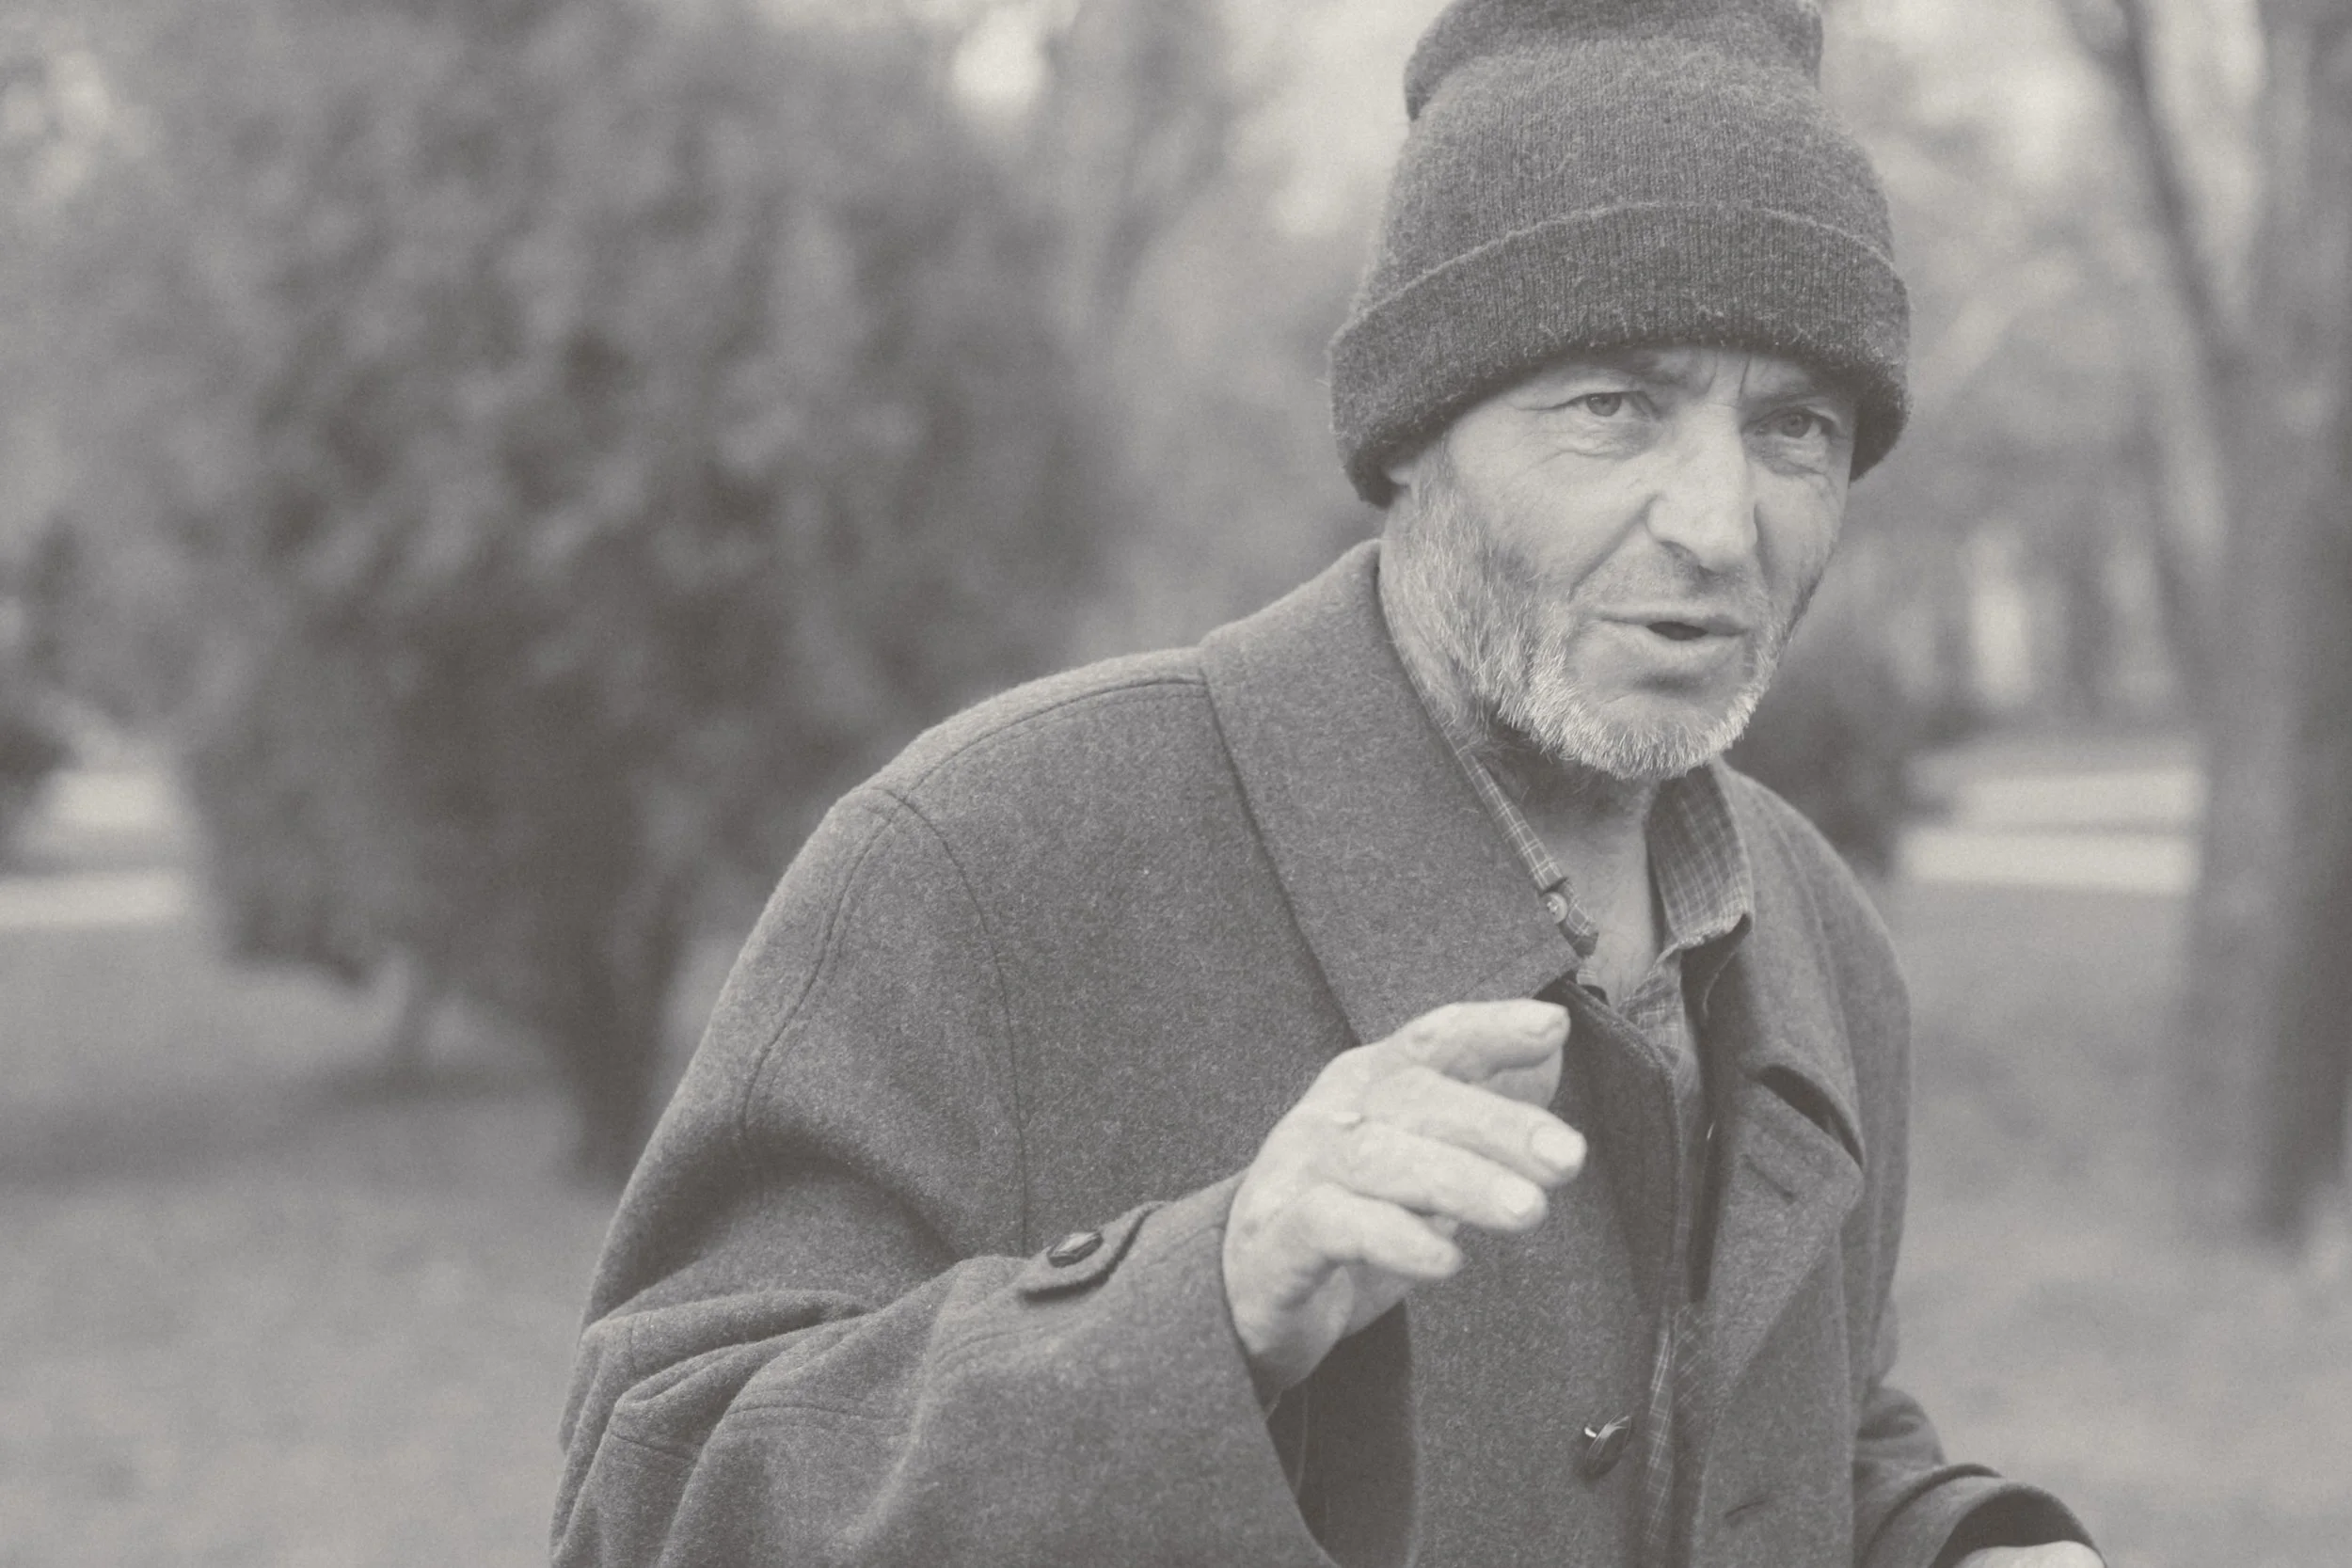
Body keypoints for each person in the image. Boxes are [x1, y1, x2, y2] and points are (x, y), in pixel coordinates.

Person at [552, 2, 2106, 1564]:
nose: (1717, 518)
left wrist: (1952, 1539)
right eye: (1615, 404)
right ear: (1415, 429)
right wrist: (1202, 1302)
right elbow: (653, 1495)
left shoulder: (1820, 938)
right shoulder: (985, 856)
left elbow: (1810, 1440)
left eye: (1795, 428)